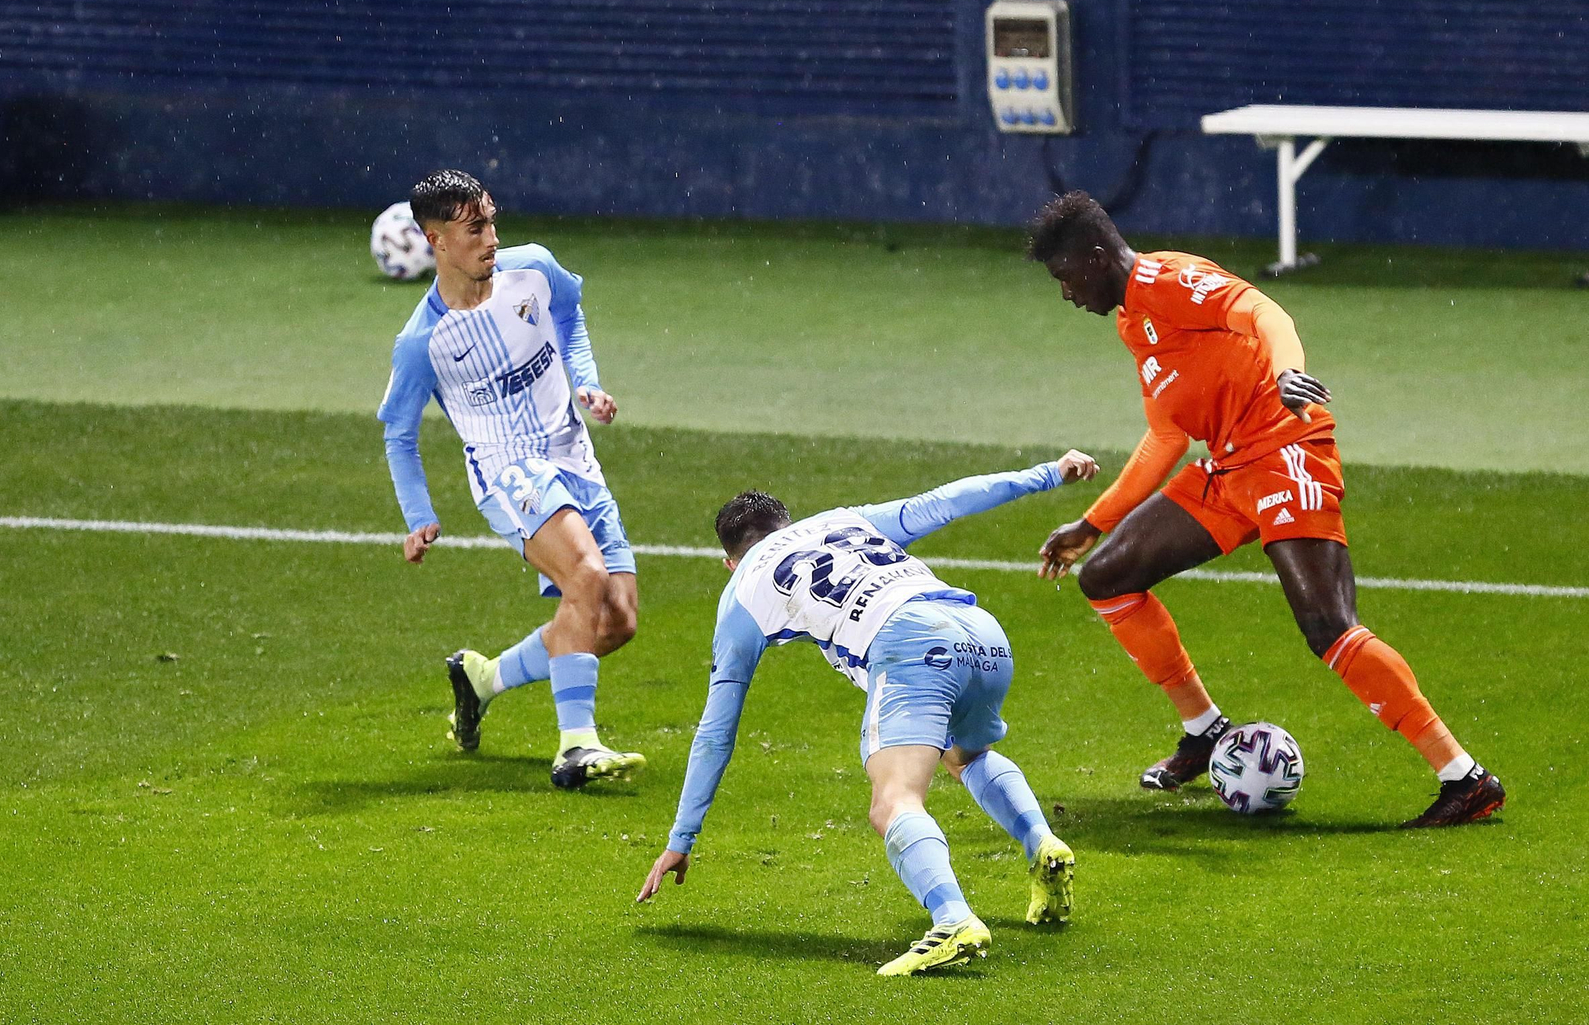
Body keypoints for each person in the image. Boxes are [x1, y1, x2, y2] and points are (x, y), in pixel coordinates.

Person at [1026, 190, 1504, 828]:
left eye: (1064, 278)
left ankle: (1464, 779)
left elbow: (1262, 310)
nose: (1065, 294)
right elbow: (1168, 435)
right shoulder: (1132, 321)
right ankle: (1203, 731)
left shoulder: (1170, 282)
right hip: (1229, 469)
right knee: (1108, 577)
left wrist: (1287, 373)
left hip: (1285, 451)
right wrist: (1093, 523)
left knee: (1328, 625)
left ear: (1093, 256)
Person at [637, 452, 1099, 975]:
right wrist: (1048, 474)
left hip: (911, 646)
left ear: (730, 561)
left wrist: (682, 838)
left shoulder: (741, 592)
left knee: (892, 802)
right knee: (965, 755)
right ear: (789, 524)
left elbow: (716, 733)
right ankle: (1041, 841)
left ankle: (952, 920)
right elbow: (944, 502)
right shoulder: (840, 521)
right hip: (981, 632)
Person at [377, 169, 644, 789]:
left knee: (617, 620)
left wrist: (587, 382)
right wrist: (418, 514)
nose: (491, 238)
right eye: (475, 228)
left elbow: (571, 318)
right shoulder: (423, 343)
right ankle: (576, 746)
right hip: (507, 470)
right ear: (435, 240)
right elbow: (398, 432)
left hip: (575, 457)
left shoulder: (535, 269)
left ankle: (483, 679)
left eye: (493, 221)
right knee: (587, 574)